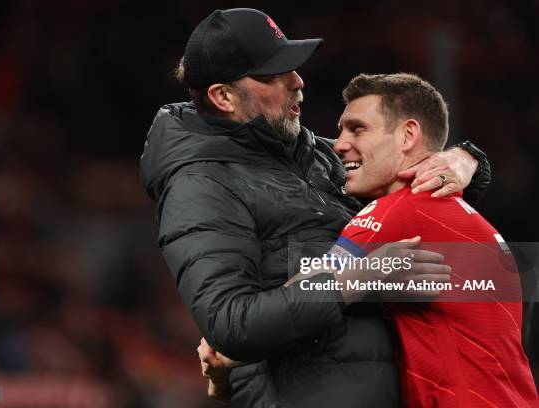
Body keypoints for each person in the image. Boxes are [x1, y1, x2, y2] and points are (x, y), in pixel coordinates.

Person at [140, 8, 490, 407]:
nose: (297, 81)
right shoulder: (199, 185)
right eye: (274, 76)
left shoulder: (319, 153)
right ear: (223, 97)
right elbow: (231, 324)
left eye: (292, 67)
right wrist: (355, 278)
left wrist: (466, 161)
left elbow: (414, 199)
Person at [329, 73, 538, 406]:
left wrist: (227, 352)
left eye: (357, 129)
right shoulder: (461, 216)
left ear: (408, 135)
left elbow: (306, 291)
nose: (339, 143)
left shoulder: (395, 213)